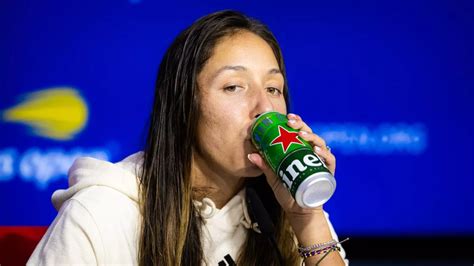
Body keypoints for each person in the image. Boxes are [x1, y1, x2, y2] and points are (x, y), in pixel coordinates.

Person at [28, 10, 348, 265]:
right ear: (183, 105)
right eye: (234, 87)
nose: (264, 109)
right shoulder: (101, 213)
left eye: (273, 89)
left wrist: (307, 218)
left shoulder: (289, 213)